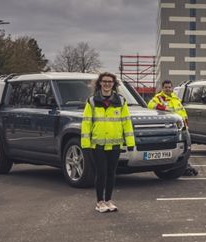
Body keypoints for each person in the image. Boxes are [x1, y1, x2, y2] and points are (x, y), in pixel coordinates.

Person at [81, 72, 135, 213]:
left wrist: (130, 142)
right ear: (100, 83)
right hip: (97, 145)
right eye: (104, 81)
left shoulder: (121, 101)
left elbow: (126, 123)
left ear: (114, 84)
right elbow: (86, 124)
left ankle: (109, 200)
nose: (107, 84)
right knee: (101, 173)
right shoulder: (92, 101)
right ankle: (100, 202)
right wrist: (85, 144)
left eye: (110, 82)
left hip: (115, 144)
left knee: (111, 173)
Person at [147, 80, 196, 175]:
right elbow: (150, 105)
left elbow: (181, 111)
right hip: (169, 128)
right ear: (162, 88)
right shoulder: (159, 98)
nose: (168, 89)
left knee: (184, 148)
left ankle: (184, 166)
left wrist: (186, 123)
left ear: (172, 88)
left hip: (181, 126)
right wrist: (163, 108)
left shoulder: (175, 97)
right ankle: (182, 167)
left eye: (169, 87)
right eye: (166, 87)